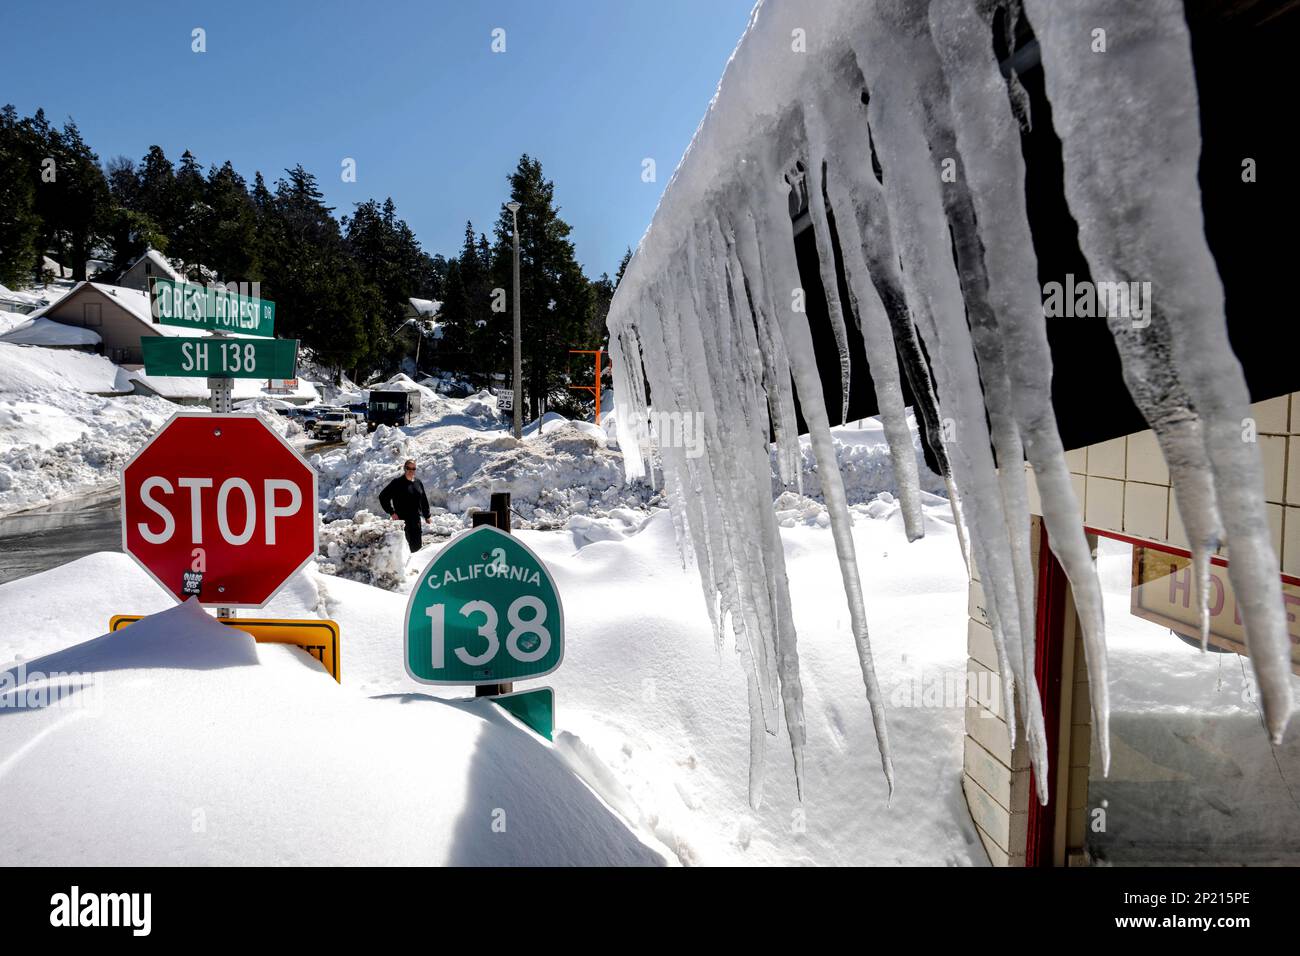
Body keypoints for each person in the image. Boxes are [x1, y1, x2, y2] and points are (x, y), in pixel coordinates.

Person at [378, 458, 430, 552]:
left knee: (417, 546)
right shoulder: (397, 482)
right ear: (404, 468)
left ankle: (416, 566)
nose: (411, 471)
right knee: (405, 548)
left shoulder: (418, 482)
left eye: (413, 468)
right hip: (402, 520)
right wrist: (391, 512)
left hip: (416, 520)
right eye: (408, 468)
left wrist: (427, 515)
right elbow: (383, 497)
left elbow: (423, 500)